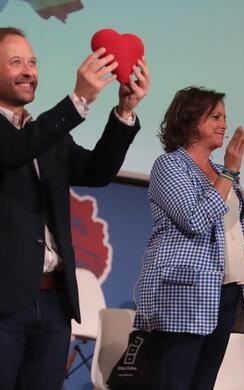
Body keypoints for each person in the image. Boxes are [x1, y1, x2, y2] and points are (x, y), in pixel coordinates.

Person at [0, 27, 149, 389]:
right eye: (15, 62)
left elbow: (97, 171)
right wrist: (78, 100)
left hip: (53, 303)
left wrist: (123, 112)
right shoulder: (29, 136)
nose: (28, 70)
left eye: (32, 62)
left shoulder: (45, 134)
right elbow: (14, 152)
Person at [133, 86, 244, 390]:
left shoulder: (220, 171)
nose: (224, 125)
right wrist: (230, 172)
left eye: (225, 117)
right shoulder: (170, 166)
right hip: (184, 291)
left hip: (225, 292)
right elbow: (195, 219)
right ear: (190, 120)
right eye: (216, 117)